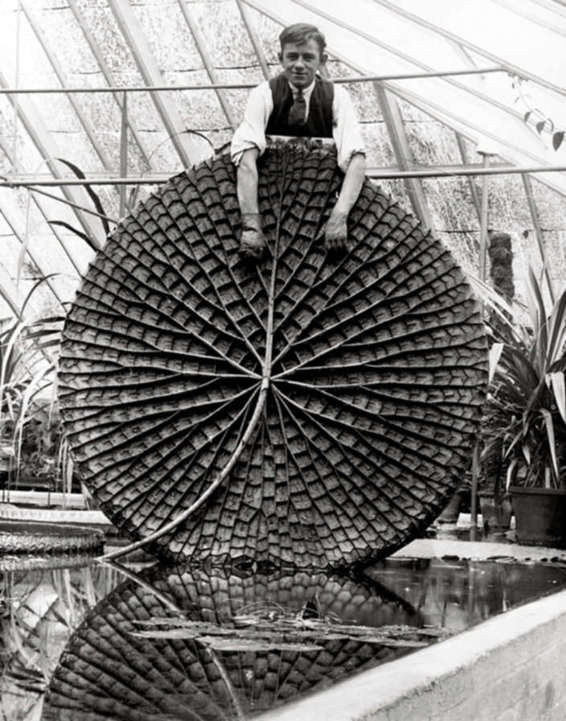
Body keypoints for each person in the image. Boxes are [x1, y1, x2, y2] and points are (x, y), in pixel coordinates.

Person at [231, 22, 366, 260]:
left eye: (308, 57)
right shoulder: (264, 94)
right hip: (267, 204)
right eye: (292, 56)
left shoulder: (338, 97)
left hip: (320, 209)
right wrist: (251, 226)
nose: (299, 65)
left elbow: (356, 159)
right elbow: (245, 159)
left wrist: (339, 217)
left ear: (322, 60)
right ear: (280, 58)